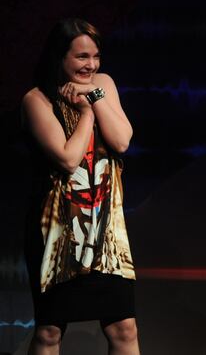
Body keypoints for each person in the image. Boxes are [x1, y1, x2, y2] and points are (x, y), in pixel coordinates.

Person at [22, 18, 138, 354]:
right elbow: (68, 158)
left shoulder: (103, 84)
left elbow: (122, 140)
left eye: (95, 56)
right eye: (81, 57)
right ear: (60, 57)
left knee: (124, 328)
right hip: (58, 230)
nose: (91, 65)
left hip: (105, 230)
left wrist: (96, 96)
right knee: (49, 332)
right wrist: (86, 113)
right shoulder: (37, 99)